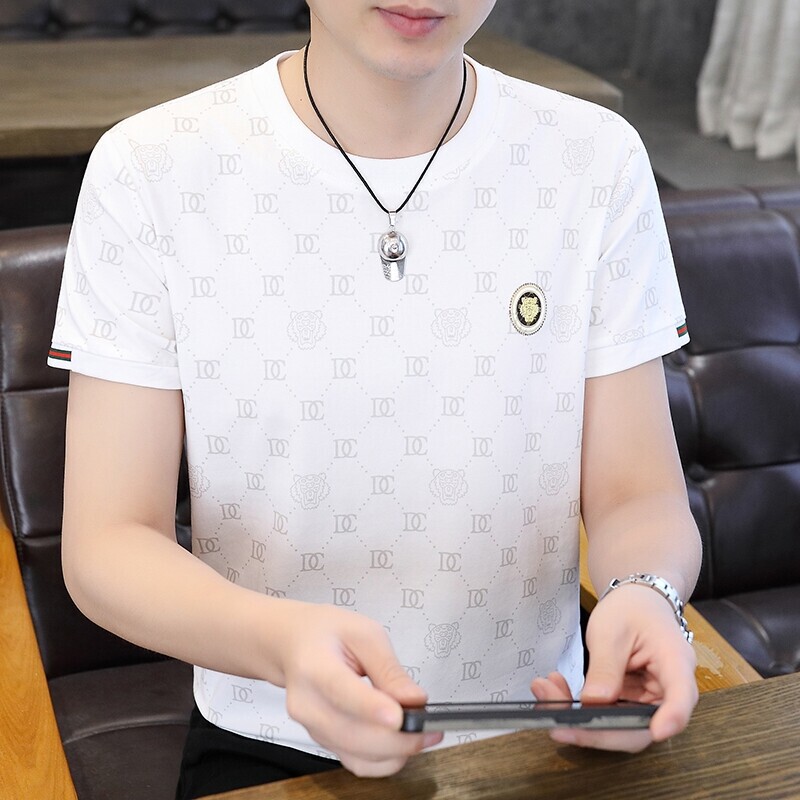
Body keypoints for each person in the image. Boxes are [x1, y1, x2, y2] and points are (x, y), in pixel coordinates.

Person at [49, 1, 701, 797]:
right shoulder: (151, 169)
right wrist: (280, 643)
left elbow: (640, 494)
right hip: (269, 733)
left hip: (549, 729)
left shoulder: (595, 160)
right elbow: (108, 541)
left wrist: (647, 594)